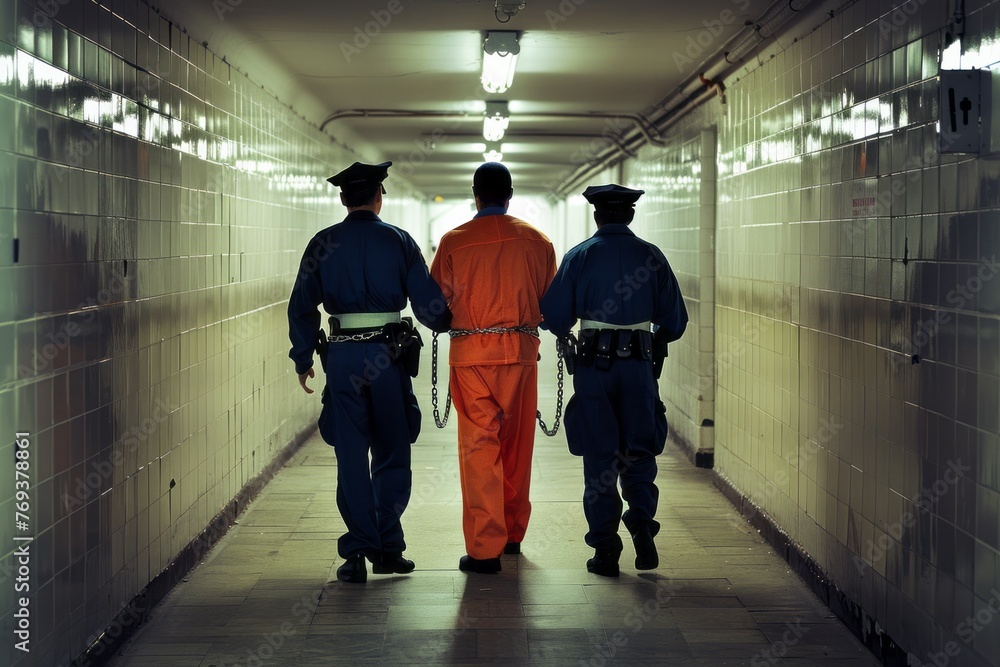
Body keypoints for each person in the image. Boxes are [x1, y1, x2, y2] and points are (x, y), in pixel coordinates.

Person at [287, 161, 451, 584]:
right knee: (393, 450)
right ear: (380, 197)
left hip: (342, 359)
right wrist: (452, 322)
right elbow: (430, 307)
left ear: (344, 199)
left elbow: (302, 305)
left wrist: (303, 357)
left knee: (351, 454)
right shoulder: (399, 241)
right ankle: (389, 547)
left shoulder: (322, 243)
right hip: (388, 358)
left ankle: (359, 549)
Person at [539, 184, 687, 577]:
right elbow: (675, 322)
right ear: (631, 215)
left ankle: (605, 548)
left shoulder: (580, 256)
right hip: (639, 367)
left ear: (596, 216)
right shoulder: (651, 256)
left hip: (594, 368)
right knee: (639, 449)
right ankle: (641, 525)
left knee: (600, 452)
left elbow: (554, 316)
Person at [430, 162, 556, 573]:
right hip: (521, 354)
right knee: (517, 446)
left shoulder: (453, 242)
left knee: (479, 448)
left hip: (471, 358)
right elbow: (550, 303)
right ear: (511, 194)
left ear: (475, 195)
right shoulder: (537, 242)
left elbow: (436, 302)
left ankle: (485, 548)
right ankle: (514, 534)